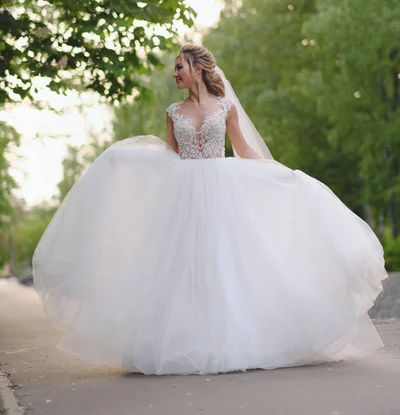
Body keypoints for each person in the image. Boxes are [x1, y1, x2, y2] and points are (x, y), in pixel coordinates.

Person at [33, 43, 387, 376]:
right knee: (183, 267)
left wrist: (276, 172)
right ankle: (186, 343)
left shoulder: (225, 107)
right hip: (183, 196)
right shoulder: (173, 112)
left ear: (198, 69)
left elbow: (242, 147)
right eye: (174, 69)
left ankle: (234, 340)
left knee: (227, 264)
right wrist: (130, 162)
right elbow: (170, 156)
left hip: (222, 191)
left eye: (179, 67)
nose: (175, 74)